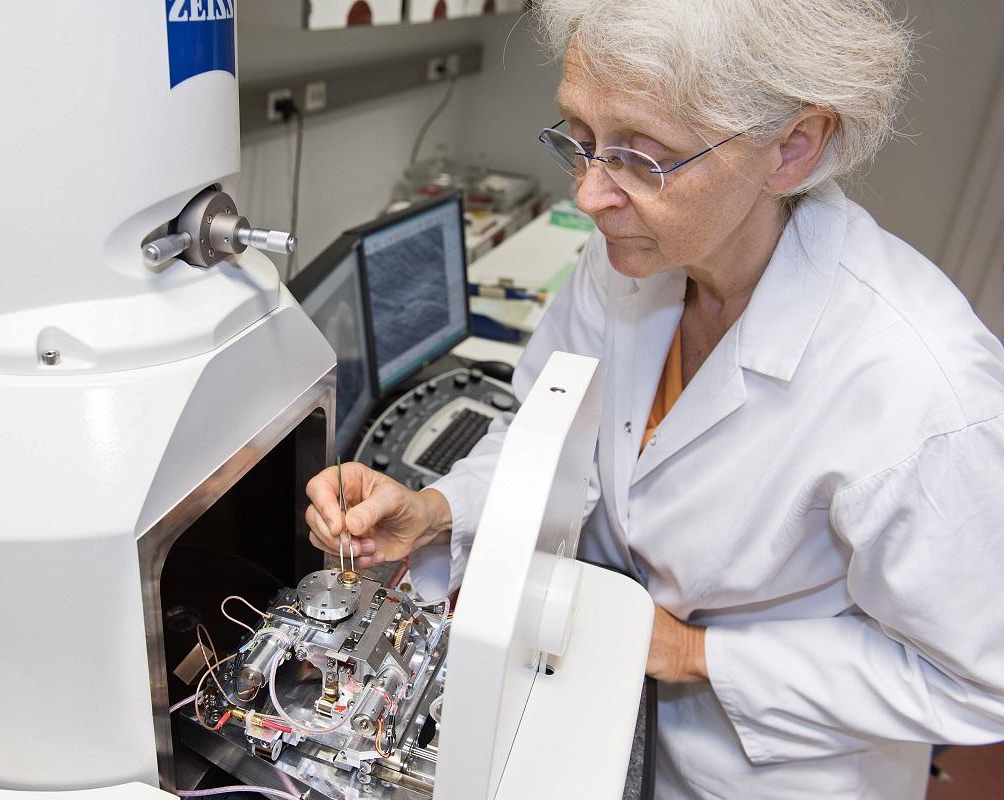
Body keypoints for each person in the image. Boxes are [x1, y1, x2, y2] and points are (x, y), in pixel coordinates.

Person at [305, 1, 1004, 796]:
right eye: (579, 137)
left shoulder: (925, 391)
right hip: (602, 711)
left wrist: (697, 655)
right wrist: (442, 511)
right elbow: (543, 433)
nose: (592, 193)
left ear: (792, 148)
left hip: (769, 773)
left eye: (644, 157)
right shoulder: (634, 255)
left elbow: (980, 679)